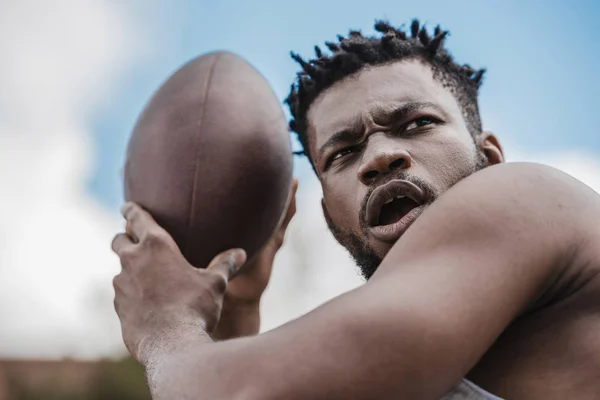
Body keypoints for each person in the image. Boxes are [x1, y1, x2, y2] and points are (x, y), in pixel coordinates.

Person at [111, 20, 600, 399]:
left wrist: (165, 328)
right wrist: (236, 306)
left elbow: (242, 393)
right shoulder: (399, 366)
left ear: (489, 155)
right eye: (342, 153)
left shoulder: (528, 197)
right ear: (329, 218)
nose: (380, 157)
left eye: (416, 123)